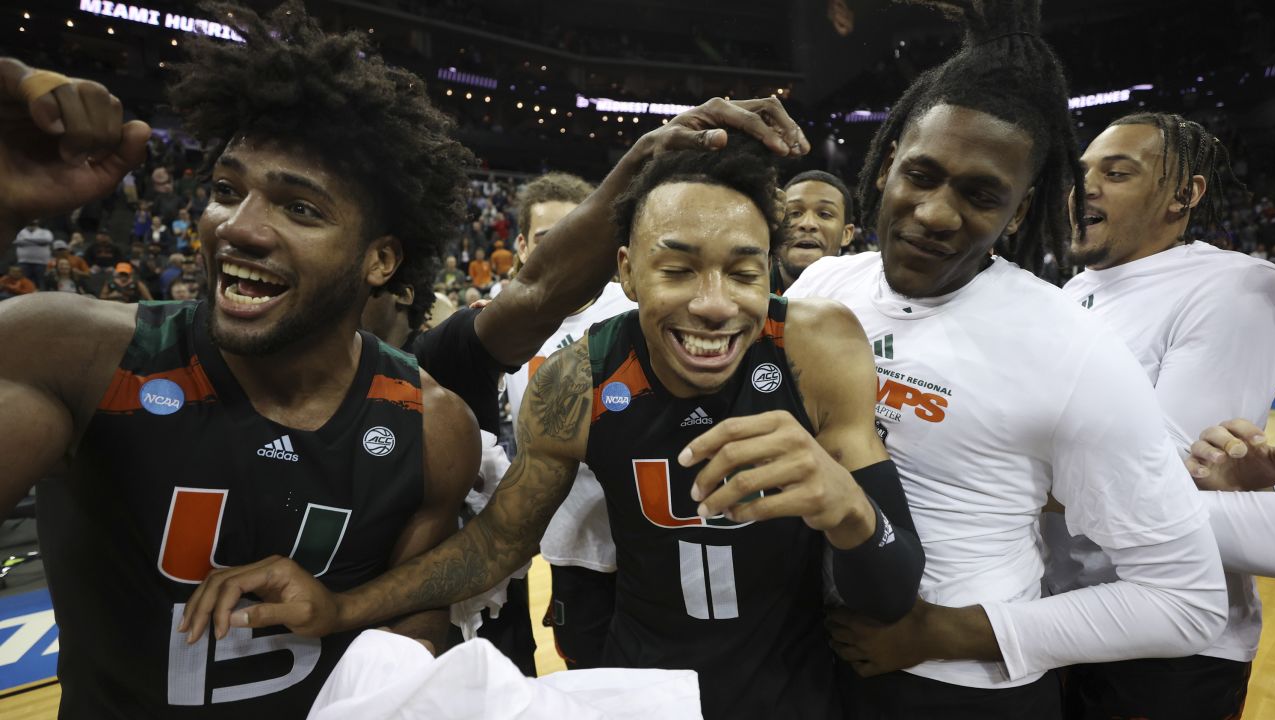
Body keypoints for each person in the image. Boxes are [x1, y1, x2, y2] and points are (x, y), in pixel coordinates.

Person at [0, 6, 811, 720]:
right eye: (224, 188)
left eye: (299, 207)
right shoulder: (76, 351)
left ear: (383, 260)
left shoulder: (433, 416)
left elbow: (531, 296)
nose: (238, 227)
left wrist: (647, 163)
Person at [178, 139, 924, 720]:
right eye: (678, 270)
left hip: (797, 694)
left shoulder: (815, 346)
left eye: (743, 271)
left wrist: (853, 510)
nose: (714, 305)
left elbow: (891, 592)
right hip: (639, 690)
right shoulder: (577, 378)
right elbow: (498, 544)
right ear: (627, 275)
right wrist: (342, 607)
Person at [785, 1, 1227, 717]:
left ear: (1020, 212)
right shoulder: (822, 286)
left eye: (981, 194)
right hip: (808, 660)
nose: (935, 212)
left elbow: (1189, 599)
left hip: (957, 690)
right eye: (922, 174)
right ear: (889, 156)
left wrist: (946, 631)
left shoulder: (1070, 348)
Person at [1044, 112, 1275, 720]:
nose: (1087, 186)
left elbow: (1164, 473)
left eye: (1118, 172)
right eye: (1082, 174)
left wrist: (992, 470)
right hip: (1061, 615)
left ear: (1185, 194)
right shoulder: (1071, 293)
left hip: (1172, 641)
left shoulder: (1229, 287)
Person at [503, 172, 635, 670]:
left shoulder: (633, 307)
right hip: (566, 545)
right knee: (581, 669)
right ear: (520, 245)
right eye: (545, 239)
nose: (562, 251)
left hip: (641, 543)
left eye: (576, 234)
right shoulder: (500, 319)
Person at [773, 170, 855, 293]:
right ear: (776, 226)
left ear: (846, 234)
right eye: (795, 213)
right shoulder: (742, 295)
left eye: (824, 214)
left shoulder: (862, 300)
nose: (807, 224)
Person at [14, 219, 54, 288]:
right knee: (25, 284)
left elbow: (46, 241)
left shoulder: (45, 232)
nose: (31, 225)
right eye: (30, 224)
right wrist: (38, 242)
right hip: (24, 262)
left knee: (41, 283)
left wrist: (26, 239)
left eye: (33, 224)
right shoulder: (20, 232)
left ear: (37, 223)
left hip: (41, 263)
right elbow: (17, 242)